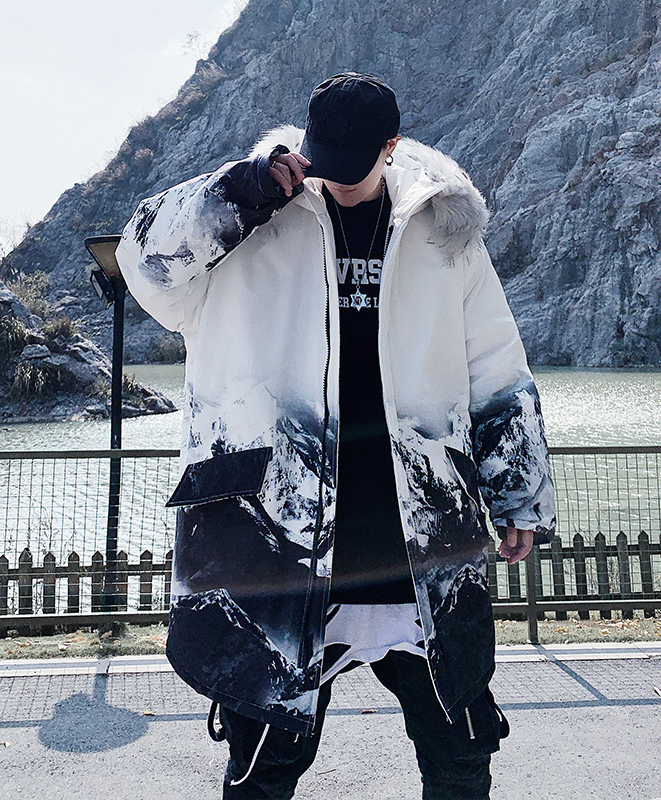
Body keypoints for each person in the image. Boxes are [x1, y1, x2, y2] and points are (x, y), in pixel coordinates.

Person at [116, 72, 556, 799]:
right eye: (326, 161)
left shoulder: (443, 231)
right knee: (263, 766)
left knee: (460, 753)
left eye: (356, 165)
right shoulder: (253, 217)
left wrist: (519, 495)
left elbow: (497, 367)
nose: (339, 181)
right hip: (277, 544)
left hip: (418, 540)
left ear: (392, 146)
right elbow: (143, 262)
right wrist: (236, 194)